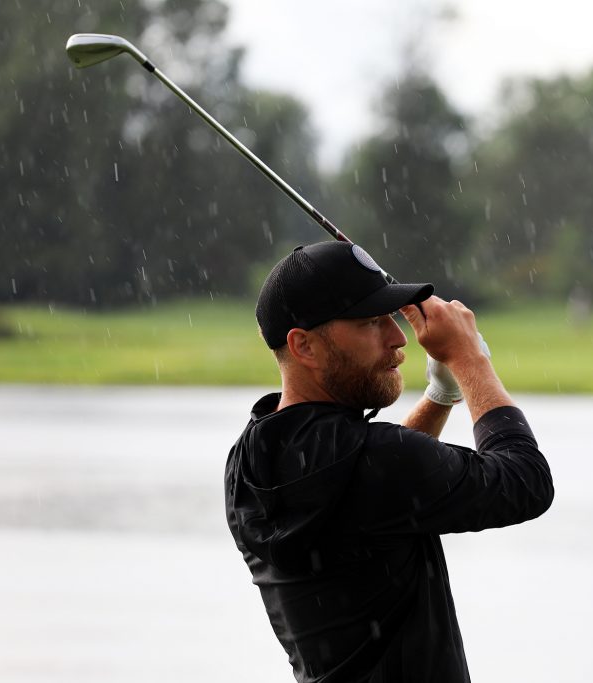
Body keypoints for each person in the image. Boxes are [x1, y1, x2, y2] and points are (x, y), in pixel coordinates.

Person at [224, 241, 554, 682]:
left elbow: (369, 488)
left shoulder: (248, 462)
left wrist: (440, 398)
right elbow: (525, 482)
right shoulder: (378, 462)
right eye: (371, 322)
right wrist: (471, 360)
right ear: (304, 345)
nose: (399, 338)